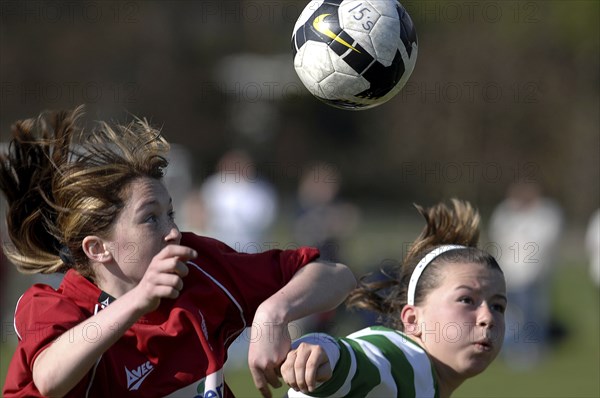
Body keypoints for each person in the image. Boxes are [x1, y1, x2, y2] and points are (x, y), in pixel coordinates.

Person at [0, 107, 356, 398]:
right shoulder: (51, 306)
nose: (173, 231)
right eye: (149, 219)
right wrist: (140, 299)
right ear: (98, 248)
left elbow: (336, 274)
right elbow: (49, 377)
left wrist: (273, 312)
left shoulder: (199, 267)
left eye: (169, 213)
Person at [280, 199, 507, 398]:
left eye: (498, 306)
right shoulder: (405, 360)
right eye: (467, 300)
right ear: (412, 319)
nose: (488, 317)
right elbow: (362, 358)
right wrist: (324, 351)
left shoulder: (423, 383)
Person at [488, 181, 563, 369]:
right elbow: (498, 234)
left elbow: (545, 240)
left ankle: (532, 349)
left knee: (532, 313)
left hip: (531, 274)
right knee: (507, 313)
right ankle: (510, 347)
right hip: (508, 272)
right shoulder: (506, 212)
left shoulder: (546, 214)